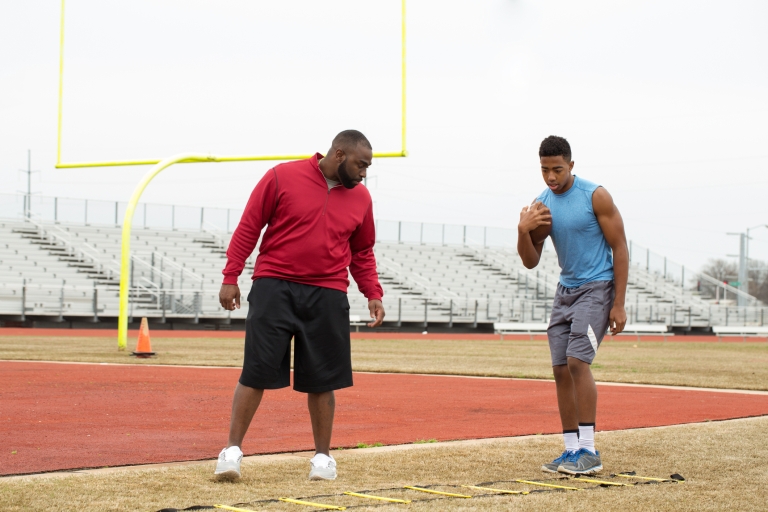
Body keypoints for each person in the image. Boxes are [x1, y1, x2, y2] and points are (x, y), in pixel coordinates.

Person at [214, 130, 385, 481]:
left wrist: (373, 292)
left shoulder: (362, 198)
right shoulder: (281, 176)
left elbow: (362, 251)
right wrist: (231, 275)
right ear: (339, 154)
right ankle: (231, 451)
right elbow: (249, 226)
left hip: (328, 294)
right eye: (361, 164)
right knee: (256, 371)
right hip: (273, 287)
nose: (364, 173)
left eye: (368, 167)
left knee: (324, 380)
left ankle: (322, 458)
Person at [517, 135, 628, 475]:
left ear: (571, 165)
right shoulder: (542, 205)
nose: (551, 177)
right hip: (565, 290)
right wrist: (523, 231)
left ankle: (590, 450)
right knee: (560, 369)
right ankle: (570, 451)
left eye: (558, 169)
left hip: (597, 288)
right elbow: (530, 261)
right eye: (545, 170)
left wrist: (619, 303)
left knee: (578, 362)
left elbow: (620, 247)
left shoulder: (595, 196)